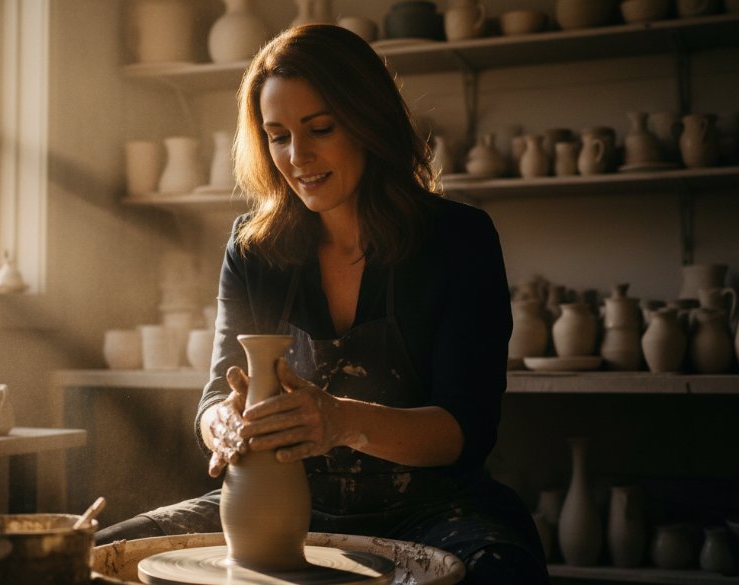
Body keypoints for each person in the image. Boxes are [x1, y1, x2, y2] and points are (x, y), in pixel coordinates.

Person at [96, 24, 548, 584]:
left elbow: (467, 427)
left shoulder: (456, 239)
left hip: (430, 511)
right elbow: (216, 395)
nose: (297, 156)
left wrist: (338, 421)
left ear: (367, 121)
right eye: (277, 135)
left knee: (499, 571)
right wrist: (225, 426)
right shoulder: (254, 248)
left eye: (320, 129)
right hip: (278, 506)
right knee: (95, 556)